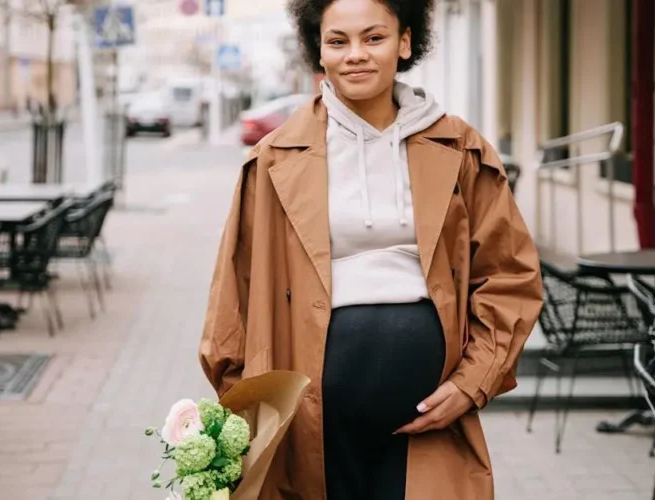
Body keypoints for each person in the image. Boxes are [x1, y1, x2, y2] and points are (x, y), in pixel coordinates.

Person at [200, 0, 543, 498]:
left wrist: (473, 382)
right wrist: (246, 410)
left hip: (432, 424)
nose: (355, 55)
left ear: (405, 42)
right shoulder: (274, 158)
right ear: (319, 51)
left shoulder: (461, 148)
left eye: (374, 38)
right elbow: (233, 294)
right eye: (338, 41)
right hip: (306, 426)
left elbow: (509, 276)